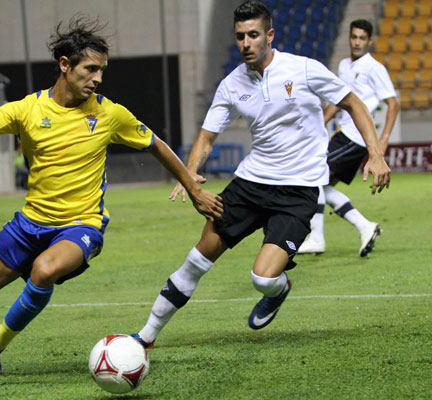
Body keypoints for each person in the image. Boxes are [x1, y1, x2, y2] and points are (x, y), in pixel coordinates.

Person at [0, 16, 223, 379]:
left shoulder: (109, 113)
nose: (98, 78)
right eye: (90, 69)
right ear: (65, 66)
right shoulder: (27, 110)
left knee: (45, 269)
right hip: (29, 224)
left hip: (81, 225)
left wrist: (193, 189)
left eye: (102, 70)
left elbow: (157, 145)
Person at [131, 1, 390, 349]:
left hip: (297, 192)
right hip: (250, 185)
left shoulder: (303, 69)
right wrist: (189, 174)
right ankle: (145, 336)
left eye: (253, 35)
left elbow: (354, 103)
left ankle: (279, 289)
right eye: (240, 37)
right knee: (196, 260)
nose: (246, 43)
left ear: (269, 35)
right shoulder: (231, 85)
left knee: (262, 278)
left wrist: (375, 154)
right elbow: (206, 138)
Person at [298, 19, 398, 257]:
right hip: (343, 135)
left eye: (362, 38)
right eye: (354, 37)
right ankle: (365, 226)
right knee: (323, 186)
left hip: (356, 138)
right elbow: (340, 99)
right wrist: (320, 122)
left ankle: (317, 238)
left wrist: (382, 140)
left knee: (314, 178)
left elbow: (393, 103)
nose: (357, 42)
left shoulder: (374, 68)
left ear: (370, 41)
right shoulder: (344, 65)